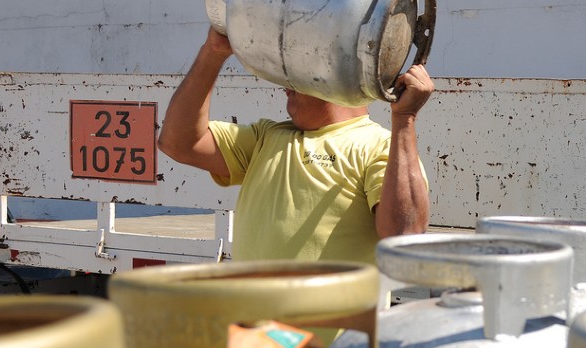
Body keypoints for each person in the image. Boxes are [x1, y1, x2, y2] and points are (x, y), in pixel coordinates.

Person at [158, 27, 433, 265]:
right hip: (257, 327)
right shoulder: (265, 137)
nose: (285, 84)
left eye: (298, 73)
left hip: (335, 328)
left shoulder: (379, 147)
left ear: (335, 78)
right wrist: (213, 52)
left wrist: (404, 118)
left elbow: (403, 238)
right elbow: (177, 142)